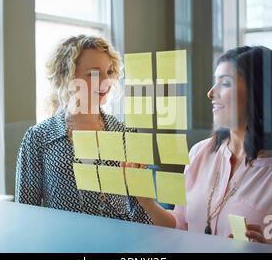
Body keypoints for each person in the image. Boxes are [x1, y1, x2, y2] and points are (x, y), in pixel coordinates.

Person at [137, 46, 272, 243]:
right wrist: (147, 202)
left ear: (259, 92)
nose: (210, 93)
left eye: (225, 83)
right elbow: (181, 224)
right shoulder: (200, 152)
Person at [15, 34, 152, 224]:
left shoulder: (126, 136)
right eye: (94, 74)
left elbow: (142, 213)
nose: (106, 81)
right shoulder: (38, 138)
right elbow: (26, 215)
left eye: (110, 72)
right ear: (67, 77)